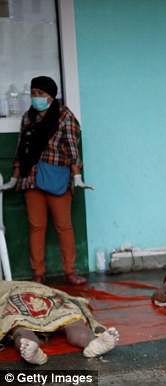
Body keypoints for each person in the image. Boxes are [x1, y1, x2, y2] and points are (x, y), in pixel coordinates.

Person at [0, 76, 93, 285]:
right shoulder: (28, 117)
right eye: (33, 93)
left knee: (64, 226)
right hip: (31, 178)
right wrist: (13, 179)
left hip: (57, 179)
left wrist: (77, 176)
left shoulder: (64, 117)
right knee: (36, 226)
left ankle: (70, 271)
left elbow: (72, 149)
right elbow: (21, 150)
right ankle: (38, 274)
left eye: (41, 94)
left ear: (51, 96)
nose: (36, 98)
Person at [0, 280, 119, 365]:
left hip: (17, 298)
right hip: (46, 296)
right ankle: (91, 342)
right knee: (72, 320)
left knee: (19, 327)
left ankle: (31, 347)